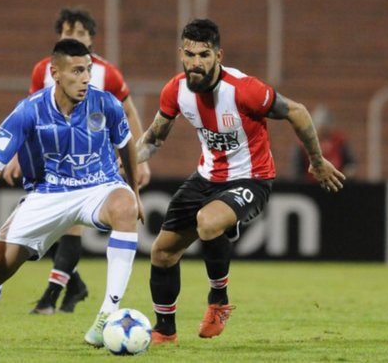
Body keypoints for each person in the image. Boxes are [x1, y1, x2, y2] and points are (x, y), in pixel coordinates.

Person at [135, 19, 345, 344]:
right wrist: (127, 164)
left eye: (204, 55)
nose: (196, 62)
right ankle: (165, 330)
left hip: (252, 178)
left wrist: (316, 161)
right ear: (181, 54)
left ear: (219, 55)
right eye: (189, 54)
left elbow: (298, 111)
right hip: (205, 177)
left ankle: (219, 300)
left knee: (208, 222)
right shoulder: (175, 90)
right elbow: (153, 138)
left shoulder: (245, 90)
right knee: (162, 252)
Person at [0, 39, 143, 350]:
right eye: (77, 71)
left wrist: (135, 192)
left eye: (88, 70)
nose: (86, 78)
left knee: (125, 206)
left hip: (98, 187)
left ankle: (107, 314)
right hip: (48, 195)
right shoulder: (29, 111)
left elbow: (126, 144)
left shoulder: (107, 105)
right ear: (55, 73)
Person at [3, 7, 151, 315]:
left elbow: (128, 113)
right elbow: (28, 115)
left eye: (81, 33)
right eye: (69, 32)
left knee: (71, 228)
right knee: (54, 227)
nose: (75, 37)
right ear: (59, 36)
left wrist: (142, 159)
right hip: (49, 161)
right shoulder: (42, 70)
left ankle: (50, 297)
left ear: (92, 40)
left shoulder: (107, 73)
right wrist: (18, 154)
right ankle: (75, 285)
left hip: (91, 162)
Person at [290, 104, 356, 181]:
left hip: (335, 185)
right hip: (309, 185)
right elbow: (296, 170)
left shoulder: (340, 141)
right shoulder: (302, 143)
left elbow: (351, 164)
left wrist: (347, 173)